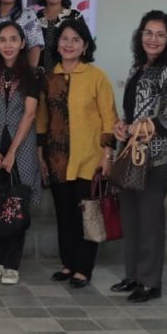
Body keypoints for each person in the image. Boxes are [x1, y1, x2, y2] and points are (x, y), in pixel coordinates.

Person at [37, 18, 117, 289]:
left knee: (89, 215)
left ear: (85, 46)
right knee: (65, 215)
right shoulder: (49, 78)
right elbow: (42, 119)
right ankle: (69, 263)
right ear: (56, 45)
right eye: (64, 39)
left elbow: (109, 117)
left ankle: (84, 268)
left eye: (75, 40)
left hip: (89, 159)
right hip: (58, 160)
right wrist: (41, 153)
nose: (69, 44)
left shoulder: (97, 77)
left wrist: (107, 155)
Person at [110, 10, 167, 303]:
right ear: (140, 36)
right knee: (130, 217)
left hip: (158, 157)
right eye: (148, 33)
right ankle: (133, 275)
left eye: (160, 34)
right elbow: (133, 111)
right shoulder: (136, 68)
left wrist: (134, 128)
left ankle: (151, 282)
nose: (153, 39)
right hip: (131, 153)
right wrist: (121, 125)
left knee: (150, 219)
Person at [0, 21, 42, 286]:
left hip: (20, 144)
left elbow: (30, 113)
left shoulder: (33, 74)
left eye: (14, 39)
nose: (8, 45)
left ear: (23, 43)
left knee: (17, 200)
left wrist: (12, 151)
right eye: (2, 40)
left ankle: (13, 264)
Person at [35, 0, 85, 74]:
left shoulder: (74, 16)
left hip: (68, 75)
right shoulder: (33, 17)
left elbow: (84, 46)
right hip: (37, 78)